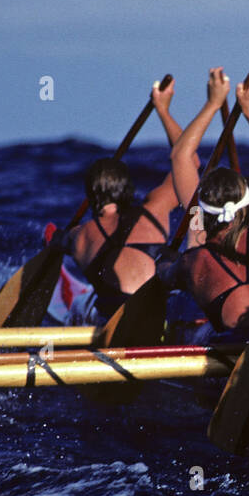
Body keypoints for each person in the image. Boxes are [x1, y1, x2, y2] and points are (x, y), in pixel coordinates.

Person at [165, 68, 249, 338]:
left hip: (236, 349)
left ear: (202, 209)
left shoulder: (194, 250)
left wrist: (214, 103)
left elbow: (181, 156)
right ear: (248, 202)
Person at [49, 78, 186, 326]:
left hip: (108, 323)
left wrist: (54, 240)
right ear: (127, 187)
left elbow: (54, 240)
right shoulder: (156, 208)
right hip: (155, 320)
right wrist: (164, 111)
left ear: (90, 194)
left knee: (94, 305)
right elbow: (187, 161)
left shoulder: (78, 236)